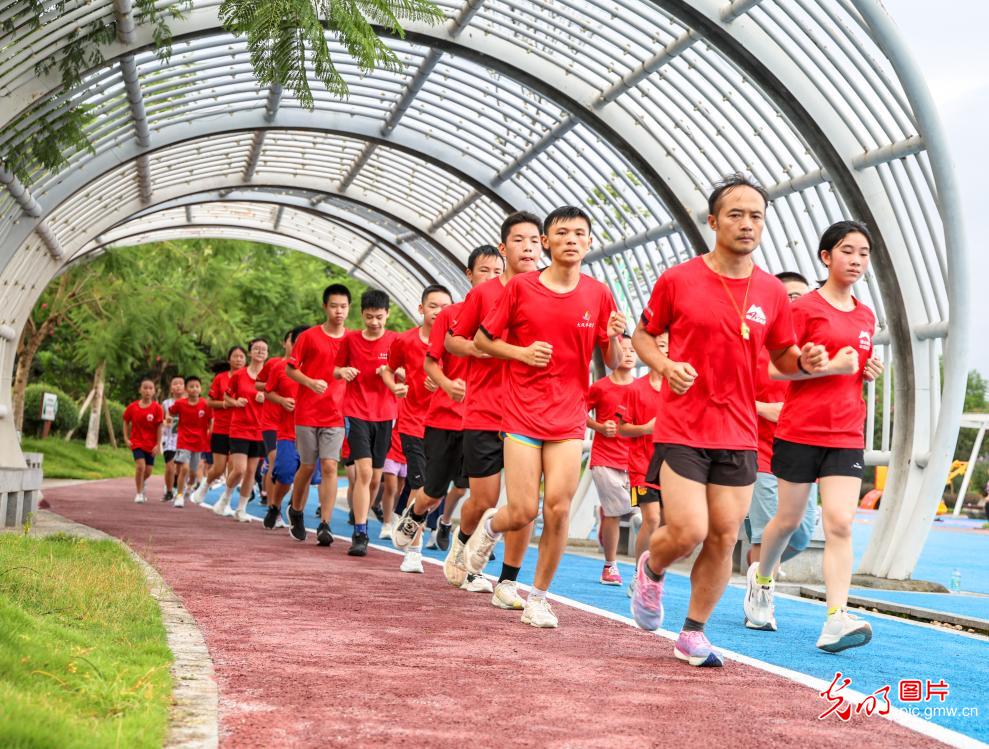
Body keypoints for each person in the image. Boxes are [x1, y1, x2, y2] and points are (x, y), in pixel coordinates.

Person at [629, 173, 830, 667]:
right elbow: (642, 337)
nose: (746, 224)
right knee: (689, 530)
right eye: (735, 214)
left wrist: (806, 361)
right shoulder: (678, 279)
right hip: (682, 425)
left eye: (756, 215)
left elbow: (782, 359)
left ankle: (692, 633)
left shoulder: (771, 292)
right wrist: (664, 365)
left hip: (739, 432)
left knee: (723, 534)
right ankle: (652, 568)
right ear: (713, 221)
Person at [463, 206, 627, 628]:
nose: (571, 239)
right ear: (546, 243)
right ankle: (490, 528)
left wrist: (613, 335)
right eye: (562, 233)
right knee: (522, 510)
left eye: (580, 233)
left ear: (589, 243)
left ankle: (538, 598)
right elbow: (483, 338)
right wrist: (520, 353)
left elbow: (608, 361)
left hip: (570, 415)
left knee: (557, 508)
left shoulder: (599, 293)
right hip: (521, 413)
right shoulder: (520, 287)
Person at [744, 221, 882, 652]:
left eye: (863, 253)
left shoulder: (865, 315)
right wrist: (814, 365)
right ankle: (761, 581)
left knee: (840, 522)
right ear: (826, 257)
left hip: (845, 432)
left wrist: (865, 370)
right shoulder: (802, 309)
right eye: (847, 251)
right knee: (787, 521)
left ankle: (836, 618)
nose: (856, 260)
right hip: (800, 430)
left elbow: (850, 368)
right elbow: (774, 368)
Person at [441, 212, 542, 610]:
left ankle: (508, 580)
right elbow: (453, 342)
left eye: (535, 240)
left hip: (529, 412)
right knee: (483, 498)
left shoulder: (549, 290)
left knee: (524, 502)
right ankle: (462, 542)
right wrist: (481, 348)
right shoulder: (483, 294)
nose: (528, 248)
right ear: (504, 248)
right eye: (519, 240)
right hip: (485, 409)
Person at [392, 246, 505, 594]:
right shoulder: (451, 316)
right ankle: (416, 512)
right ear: (469, 275)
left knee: (480, 496)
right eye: (483, 271)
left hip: (488, 419)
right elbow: (432, 361)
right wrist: (445, 384)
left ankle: (468, 561)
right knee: (434, 492)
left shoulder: (512, 313)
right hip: (445, 418)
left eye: (496, 271)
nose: (491, 277)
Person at [742, 270, 820, 630]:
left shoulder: (812, 351)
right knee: (765, 531)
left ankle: (758, 570)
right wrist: (763, 408)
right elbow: (728, 391)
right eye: (787, 296)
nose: (794, 302)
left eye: (800, 297)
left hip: (803, 452)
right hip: (760, 452)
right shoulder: (754, 346)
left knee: (800, 535)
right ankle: (761, 600)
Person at [380, 284, 453, 551]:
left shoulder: (455, 343)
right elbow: (388, 370)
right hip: (412, 421)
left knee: (435, 487)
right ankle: (414, 550)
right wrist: (394, 386)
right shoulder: (405, 340)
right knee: (419, 481)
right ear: (422, 309)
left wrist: (443, 383)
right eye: (433, 306)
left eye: (445, 307)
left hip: (444, 423)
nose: (438, 312)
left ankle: (410, 518)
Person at [334, 289, 399, 557]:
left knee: (374, 478)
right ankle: (360, 531)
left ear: (387, 315)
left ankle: (361, 510)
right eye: (369, 317)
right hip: (356, 412)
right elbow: (335, 368)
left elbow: (405, 370)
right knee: (363, 473)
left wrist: (397, 373)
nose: (374, 322)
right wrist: (343, 371)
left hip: (385, 415)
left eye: (379, 317)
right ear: (362, 314)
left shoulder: (395, 341)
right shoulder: (350, 340)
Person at [285, 284, 350, 546]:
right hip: (307, 413)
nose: (338, 311)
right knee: (308, 466)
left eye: (343, 307)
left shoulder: (352, 340)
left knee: (331, 466)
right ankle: (296, 510)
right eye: (334, 306)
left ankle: (325, 524)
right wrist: (311, 382)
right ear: (325, 307)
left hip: (336, 414)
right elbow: (291, 369)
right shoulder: (309, 337)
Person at [616, 333, 667, 598]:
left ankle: (648, 543)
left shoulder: (679, 387)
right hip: (642, 467)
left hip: (674, 468)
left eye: (670, 347)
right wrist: (646, 428)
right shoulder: (636, 389)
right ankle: (640, 577)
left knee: (669, 525)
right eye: (660, 346)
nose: (665, 351)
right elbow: (622, 430)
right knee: (654, 518)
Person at [587, 335, 636, 586]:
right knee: (619, 511)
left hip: (634, 464)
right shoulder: (600, 387)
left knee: (637, 513)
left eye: (632, 350)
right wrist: (598, 426)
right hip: (604, 459)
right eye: (623, 349)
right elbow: (578, 410)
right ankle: (610, 566)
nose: (628, 353)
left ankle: (605, 518)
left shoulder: (642, 388)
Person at [262, 325, 322, 530]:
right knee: (285, 474)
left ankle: (298, 515)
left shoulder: (321, 367)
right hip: (288, 431)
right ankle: (274, 506)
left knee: (305, 476)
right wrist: (282, 400)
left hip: (312, 430)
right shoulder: (280, 367)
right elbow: (268, 392)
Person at [214, 338, 269, 520]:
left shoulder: (270, 376)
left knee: (251, 473)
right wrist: (236, 402)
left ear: (267, 354)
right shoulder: (239, 375)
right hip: (239, 428)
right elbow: (226, 397)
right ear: (250, 352)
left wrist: (266, 397)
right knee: (239, 469)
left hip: (260, 430)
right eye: (256, 349)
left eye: (264, 349)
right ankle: (225, 499)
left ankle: (241, 510)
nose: (260, 352)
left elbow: (277, 398)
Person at [193, 346, 247, 503]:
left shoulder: (250, 378)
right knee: (218, 468)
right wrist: (226, 404)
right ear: (229, 359)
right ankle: (204, 486)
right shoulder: (220, 378)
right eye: (235, 356)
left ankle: (226, 500)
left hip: (241, 429)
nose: (238, 359)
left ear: (246, 360)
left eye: (241, 356)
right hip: (222, 428)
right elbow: (209, 402)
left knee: (235, 468)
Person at [257, 332, 292, 506]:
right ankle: (273, 508)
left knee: (289, 469)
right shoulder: (273, 364)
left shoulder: (307, 368)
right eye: (292, 340)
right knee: (274, 460)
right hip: (271, 421)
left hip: (293, 425)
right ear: (285, 343)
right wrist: (274, 383)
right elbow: (258, 383)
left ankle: (289, 505)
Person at [168, 376, 211, 508]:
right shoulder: (181, 403)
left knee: (193, 473)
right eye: (191, 386)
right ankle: (179, 496)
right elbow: (171, 412)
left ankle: (189, 487)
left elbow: (211, 420)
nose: (194, 389)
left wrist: (210, 435)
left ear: (201, 388)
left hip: (199, 442)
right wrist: (170, 419)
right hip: (184, 440)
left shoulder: (205, 404)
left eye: (197, 386)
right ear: (187, 389)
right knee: (184, 468)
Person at [122, 377, 165, 504]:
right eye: (145, 388)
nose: (147, 390)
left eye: (150, 388)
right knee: (141, 466)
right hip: (137, 442)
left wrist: (158, 444)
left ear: (154, 391)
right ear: (140, 390)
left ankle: (141, 483)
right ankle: (139, 493)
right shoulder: (133, 407)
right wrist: (126, 438)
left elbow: (159, 427)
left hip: (151, 444)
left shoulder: (157, 408)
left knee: (148, 471)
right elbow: (125, 420)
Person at [161, 375, 185, 502]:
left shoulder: (189, 403)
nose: (178, 386)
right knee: (170, 467)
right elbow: (160, 420)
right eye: (175, 384)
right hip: (169, 439)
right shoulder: (166, 403)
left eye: (181, 384)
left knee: (179, 468)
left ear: (185, 387)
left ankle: (176, 485)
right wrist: (165, 422)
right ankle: (169, 491)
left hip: (184, 440)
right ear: (171, 388)